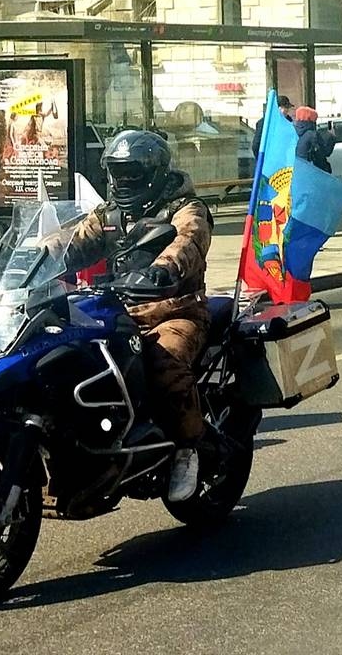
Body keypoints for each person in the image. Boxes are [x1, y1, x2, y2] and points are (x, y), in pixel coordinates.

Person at [55, 130, 212, 503]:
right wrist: (36, 256)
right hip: (114, 310)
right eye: (118, 172)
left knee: (164, 364)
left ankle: (187, 450)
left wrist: (165, 268)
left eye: (132, 173)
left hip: (174, 310)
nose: (124, 181)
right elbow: (71, 242)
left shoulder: (185, 209)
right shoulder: (109, 214)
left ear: (154, 172)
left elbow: (189, 240)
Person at [293, 105, 335, 174]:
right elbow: (325, 152)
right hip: (311, 170)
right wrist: (331, 137)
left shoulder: (292, 131)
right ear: (311, 120)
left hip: (296, 169)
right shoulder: (312, 135)